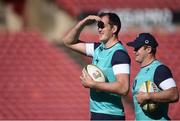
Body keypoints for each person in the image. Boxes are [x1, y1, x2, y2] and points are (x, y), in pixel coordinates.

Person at [63, 12, 131, 120]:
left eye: (102, 26)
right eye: (98, 26)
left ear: (114, 29)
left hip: (111, 116)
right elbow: (68, 42)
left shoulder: (119, 54)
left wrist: (93, 84)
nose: (99, 29)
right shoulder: (98, 49)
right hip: (96, 114)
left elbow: (123, 88)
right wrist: (83, 23)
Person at [127, 33, 179, 120]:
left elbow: (174, 94)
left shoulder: (159, 70)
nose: (134, 51)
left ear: (148, 49)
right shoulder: (140, 73)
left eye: (137, 48)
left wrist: (148, 96)